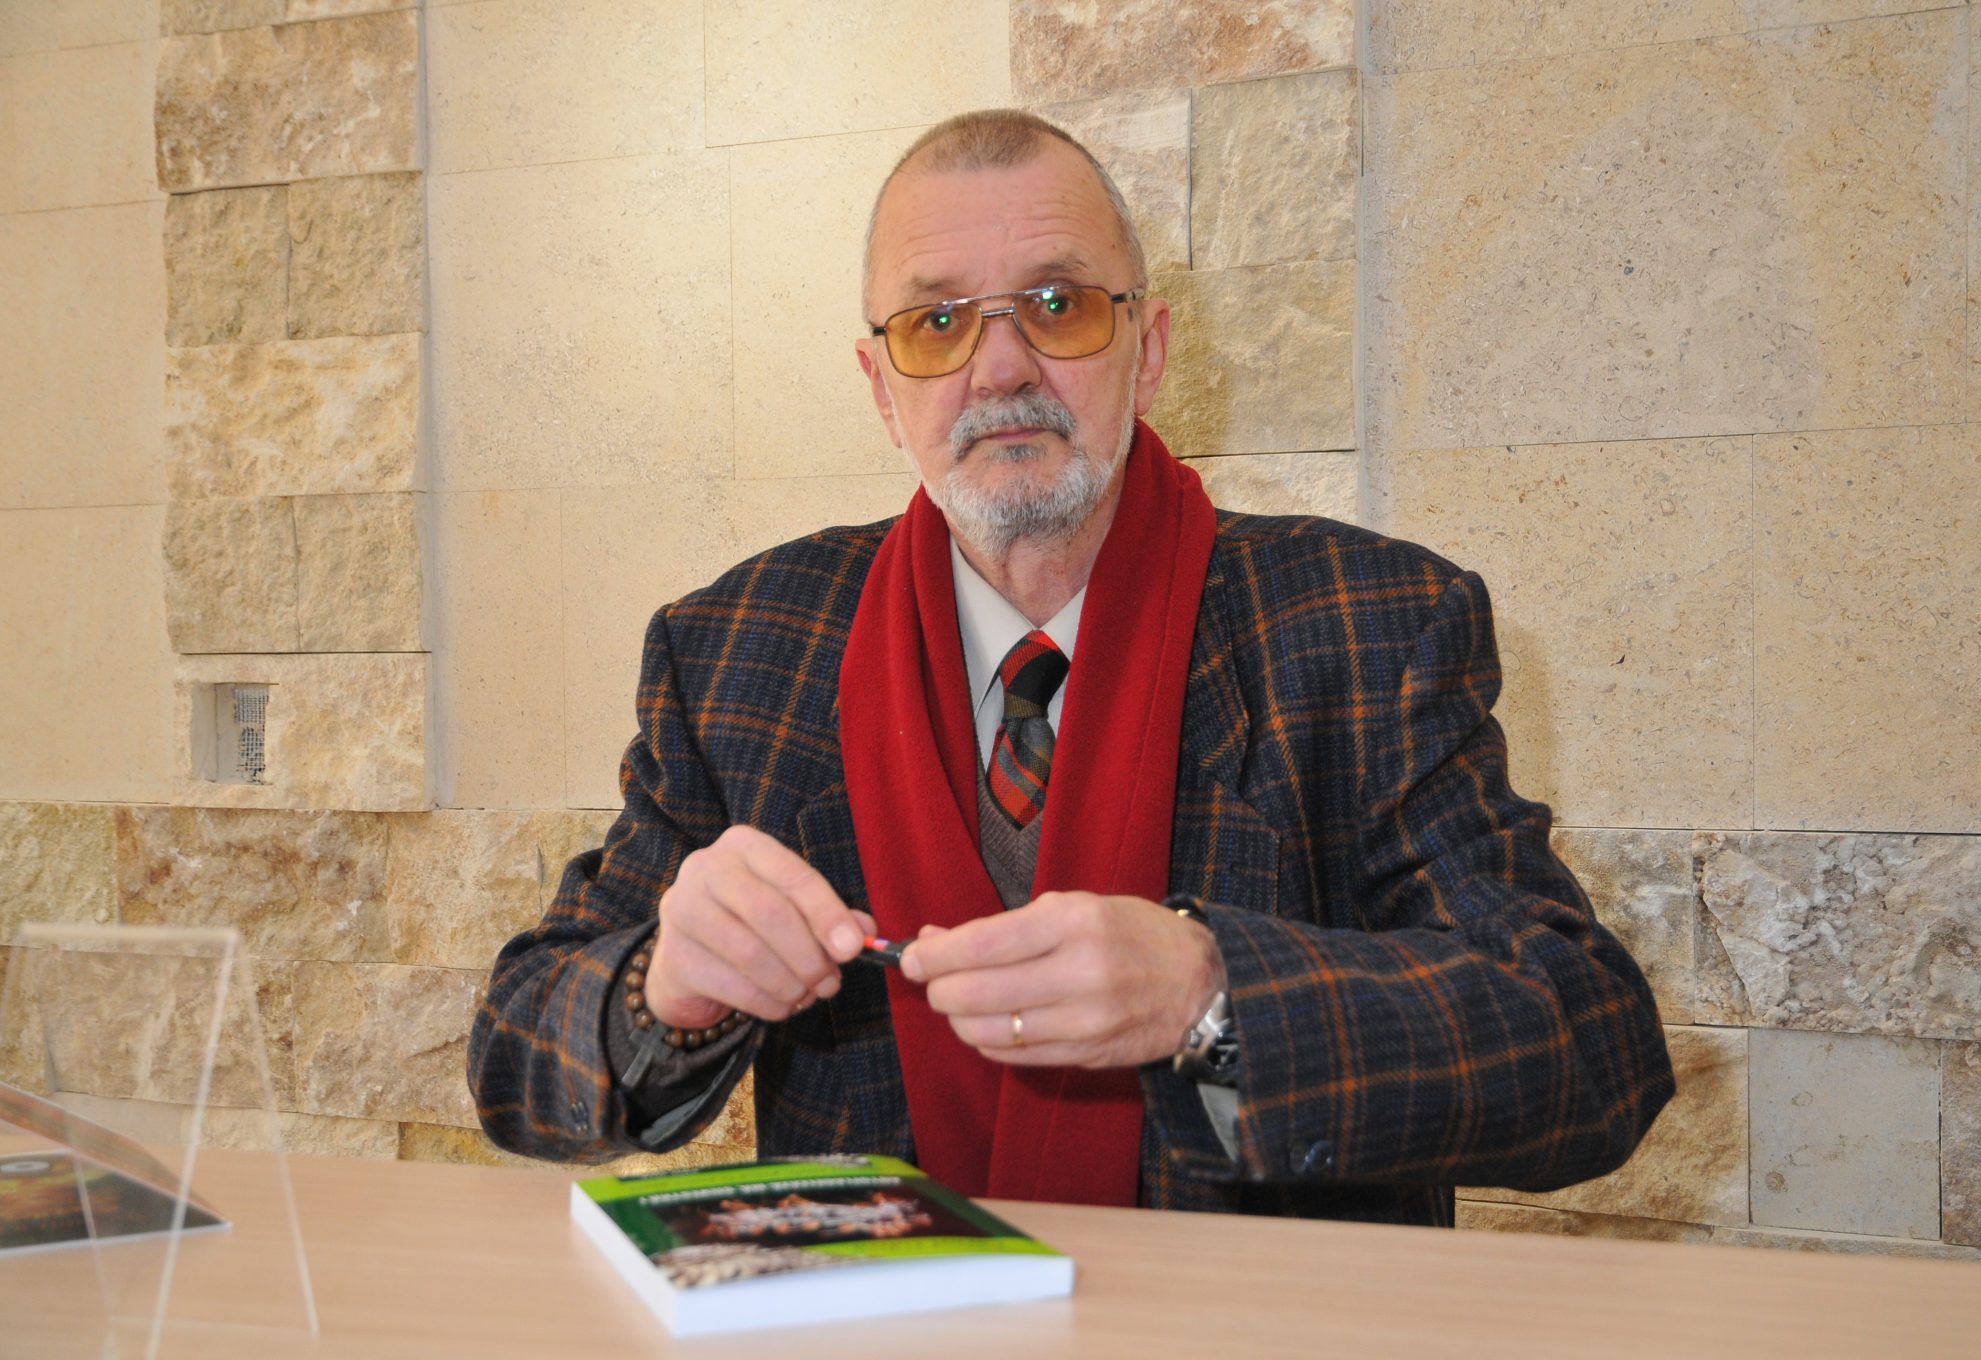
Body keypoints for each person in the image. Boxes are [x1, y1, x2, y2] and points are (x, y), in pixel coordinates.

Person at [468, 109, 1674, 1225]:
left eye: (1057, 304)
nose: (999, 370)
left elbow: (1588, 1047)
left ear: (1146, 351)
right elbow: (516, 1058)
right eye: (936, 323)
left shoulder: (1373, 626)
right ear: (881, 390)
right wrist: (661, 986)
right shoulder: (733, 648)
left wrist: (1211, 998)